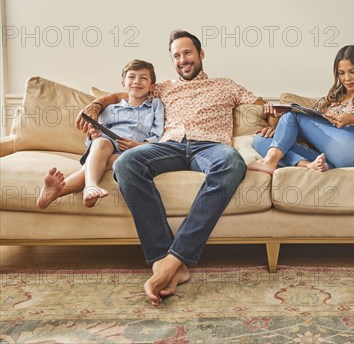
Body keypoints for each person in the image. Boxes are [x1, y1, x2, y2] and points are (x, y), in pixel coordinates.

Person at [76, 30, 271, 307]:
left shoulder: (225, 85)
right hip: (169, 146)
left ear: (201, 54)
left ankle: (172, 260)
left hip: (210, 146)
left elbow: (261, 104)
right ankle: (162, 259)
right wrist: (95, 105)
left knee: (232, 162)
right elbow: (125, 91)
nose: (183, 60)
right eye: (176, 56)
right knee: (127, 162)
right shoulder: (164, 86)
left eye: (187, 53)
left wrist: (273, 117)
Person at [37, 59, 164, 209]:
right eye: (131, 77)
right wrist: (94, 134)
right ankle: (90, 187)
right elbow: (94, 136)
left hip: (131, 150)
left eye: (143, 78)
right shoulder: (110, 108)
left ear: (152, 86)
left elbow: (158, 134)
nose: (137, 81)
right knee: (102, 143)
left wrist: (138, 146)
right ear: (123, 84)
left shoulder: (155, 106)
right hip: (106, 144)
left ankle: (56, 192)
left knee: (116, 161)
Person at [248, 45, 354, 174]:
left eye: (352, 72)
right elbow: (309, 132)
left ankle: (269, 161)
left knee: (293, 115)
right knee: (260, 140)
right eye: (341, 73)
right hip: (333, 156)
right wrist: (279, 130)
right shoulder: (328, 101)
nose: (347, 78)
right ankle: (310, 165)